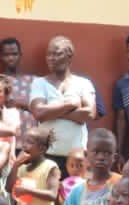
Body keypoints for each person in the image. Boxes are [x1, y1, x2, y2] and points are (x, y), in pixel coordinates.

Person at [29, 36, 96, 176]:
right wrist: (71, 105)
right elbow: (39, 113)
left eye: (57, 54)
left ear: (69, 56)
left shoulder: (83, 83)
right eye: (49, 54)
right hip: (47, 156)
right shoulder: (39, 83)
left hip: (76, 159)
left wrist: (52, 111)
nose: (51, 58)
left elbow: (90, 114)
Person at [58, 128, 120, 205]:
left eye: (107, 153)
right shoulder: (77, 192)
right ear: (86, 155)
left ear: (114, 158)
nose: (101, 157)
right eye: (96, 152)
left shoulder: (121, 185)